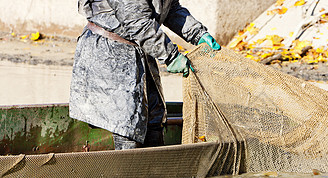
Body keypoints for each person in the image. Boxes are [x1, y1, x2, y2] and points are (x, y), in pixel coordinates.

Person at [70, 0, 221, 150]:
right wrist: (170, 56)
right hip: (109, 55)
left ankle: (153, 170)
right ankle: (126, 171)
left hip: (141, 50)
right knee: (126, 127)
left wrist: (197, 33)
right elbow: (137, 21)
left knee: (154, 122)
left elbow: (170, 7)